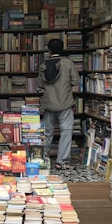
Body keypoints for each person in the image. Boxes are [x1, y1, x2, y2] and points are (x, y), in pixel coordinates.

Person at [38, 38, 80, 170]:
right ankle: (61, 161)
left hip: (49, 104)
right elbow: (76, 81)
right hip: (65, 103)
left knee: (47, 133)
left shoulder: (43, 65)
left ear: (49, 51)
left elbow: (40, 85)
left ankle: (42, 158)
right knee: (66, 132)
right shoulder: (68, 63)